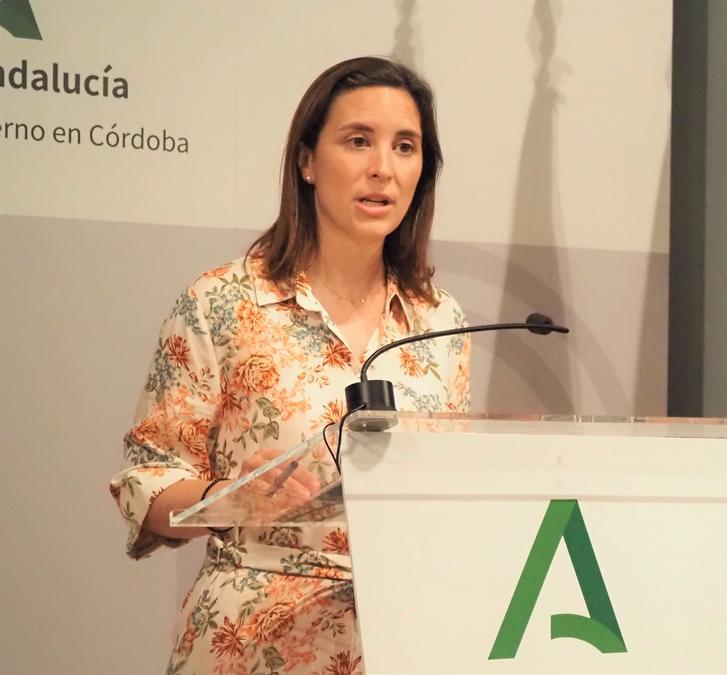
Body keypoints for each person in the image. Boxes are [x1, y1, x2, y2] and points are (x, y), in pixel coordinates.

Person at [108, 57, 471, 674]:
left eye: (405, 147)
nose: (382, 167)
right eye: (358, 141)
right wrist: (231, 499)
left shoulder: (441, 320)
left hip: (401, 632)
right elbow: (147, 482)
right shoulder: (222, 301)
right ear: (306, 161)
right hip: (254, 635)